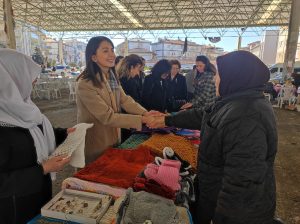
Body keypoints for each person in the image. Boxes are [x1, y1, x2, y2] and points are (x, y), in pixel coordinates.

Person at [147, 51, 278, 224]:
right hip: (214, 194)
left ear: (234, 77)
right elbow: (204, 115)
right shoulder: (235, 101)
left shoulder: (246, 116)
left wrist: (220, 218)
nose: (215, 79)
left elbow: (242, 182)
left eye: (218, 75)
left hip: (232, 211)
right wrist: (166, 119)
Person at [0, 49, 74, 224]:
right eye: (29, 74)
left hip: (38, 193)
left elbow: (34, 136)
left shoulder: (24, 106)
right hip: (13, 208)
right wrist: (42, 169)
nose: (35, 80)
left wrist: (64, 133)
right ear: (10, 77)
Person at [76, 36, 154, 164]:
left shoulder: (112, 77)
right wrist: (142, 120)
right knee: (96, 172)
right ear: (93, 57)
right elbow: (107, 117)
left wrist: (145, 113)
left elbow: (125, 100)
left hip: (113, 134)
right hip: (96, 139)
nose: (112, 54)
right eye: (105, 51)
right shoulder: (86, 83)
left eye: (112, 50)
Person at [116, 54, 144, 142]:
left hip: (125, 120)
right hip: (127, 120)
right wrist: (144, 115)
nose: (138, 73)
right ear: (131, 67)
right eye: (138, 68)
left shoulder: (121, 78)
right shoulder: (128, 81)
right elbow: (129, 102)